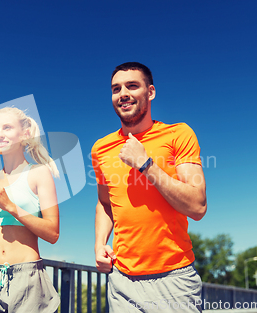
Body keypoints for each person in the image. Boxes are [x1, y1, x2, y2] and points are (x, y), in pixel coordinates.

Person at [92, 62, 207, 312]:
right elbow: (105, 202)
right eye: (116, 89)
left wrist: (146, 164)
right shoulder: (100, 148)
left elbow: (197, 206)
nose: (123, 93)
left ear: (150, 92)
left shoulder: (179, 134)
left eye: (132, 86)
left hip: (174, 281)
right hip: (121, 282)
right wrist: (100, 243)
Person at [0, 107, 60, 312]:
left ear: (24, 134)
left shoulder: (39, 173)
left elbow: (52, 233)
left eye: (7, 127)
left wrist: (12, 207)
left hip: (28, 280)